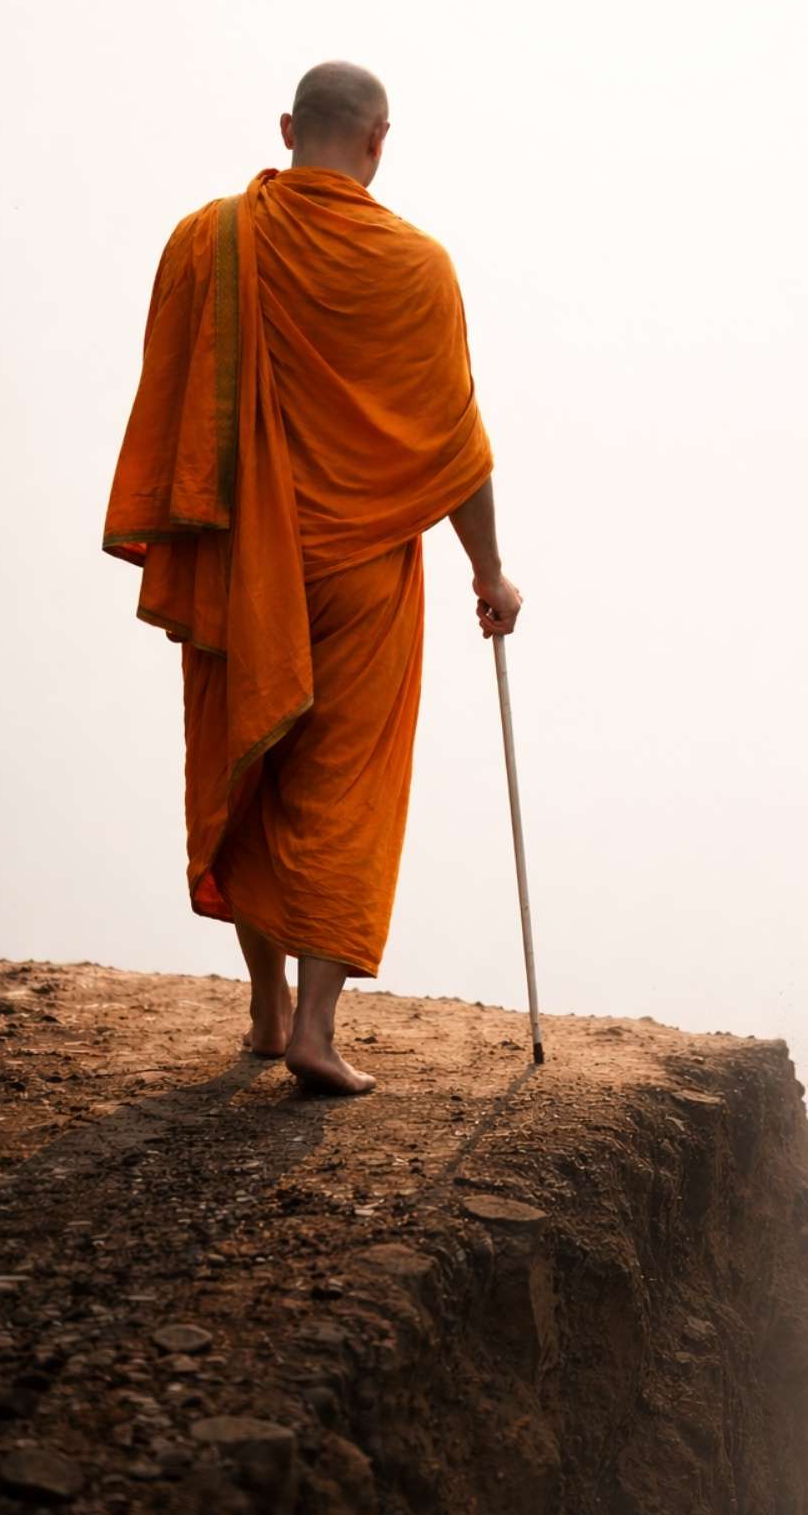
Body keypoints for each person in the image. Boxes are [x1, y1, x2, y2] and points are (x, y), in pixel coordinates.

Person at [103, 62, 522, 1094]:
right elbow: (455, 447)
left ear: (290, 127)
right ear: (380, 141)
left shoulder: (211, 239)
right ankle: (316, 1029)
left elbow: (176, 401)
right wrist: (491, 575)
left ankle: (264, 1006)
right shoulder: (417, 267)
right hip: (365, 570)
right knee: (341, 786)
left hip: (245, 560)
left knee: (252, 765)